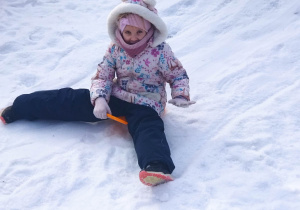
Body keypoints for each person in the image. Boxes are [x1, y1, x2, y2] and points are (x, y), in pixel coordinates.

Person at [0, 0, 195, 186]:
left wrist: (180, 94)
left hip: (147, 103)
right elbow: (103, 76)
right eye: (128, 31)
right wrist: (100, 98)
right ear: (119, 29)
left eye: (139, 32)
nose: (133, 37)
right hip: (117, 95)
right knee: (71, 100)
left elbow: (178, 74)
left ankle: (156, 166)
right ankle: (21, 107)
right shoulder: (115, 49)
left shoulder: (160, 51)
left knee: (148, 129)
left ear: (150, 29)